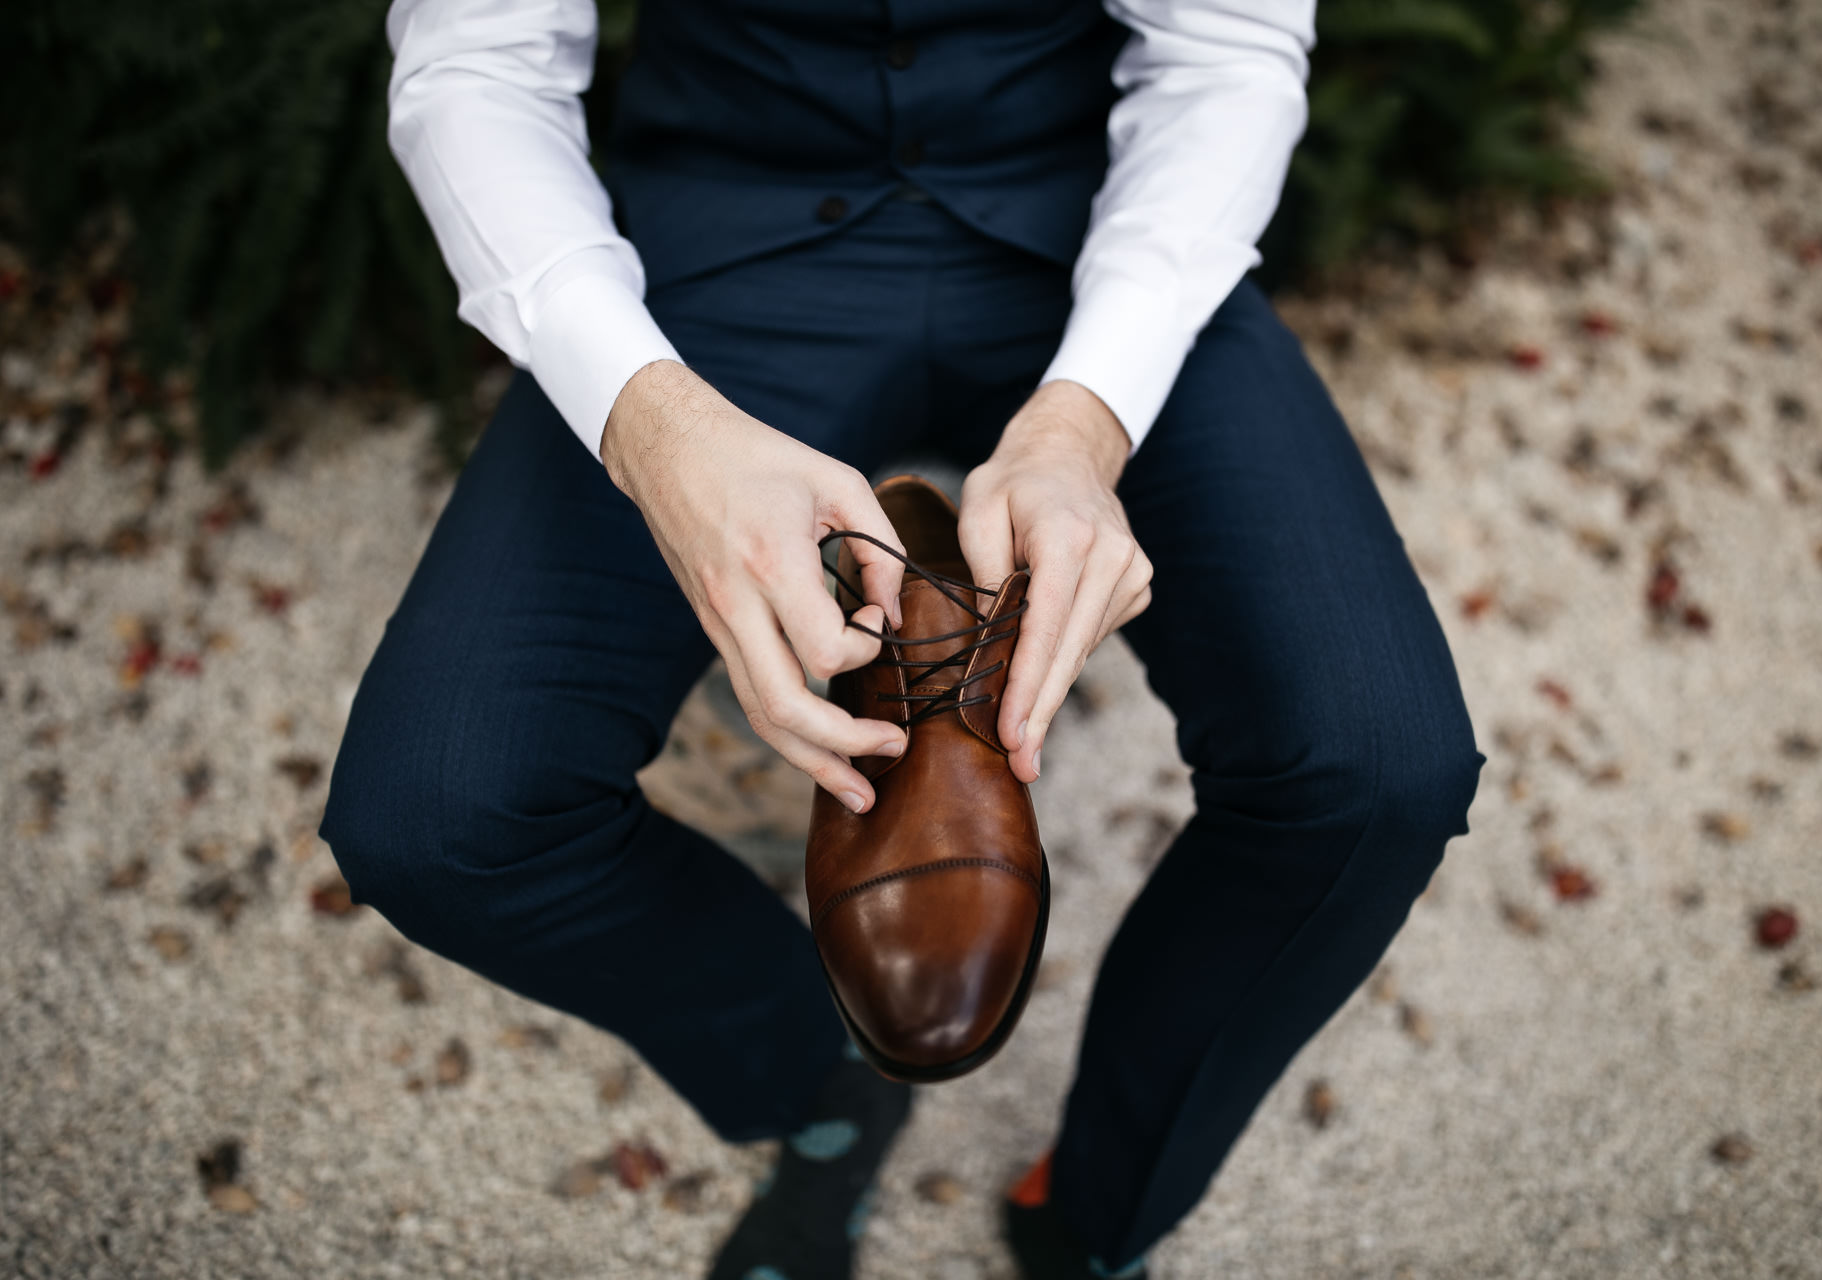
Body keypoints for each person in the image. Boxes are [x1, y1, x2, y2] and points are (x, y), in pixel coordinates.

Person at [319, 0, 1485, 1275]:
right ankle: (822, 1078)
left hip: (1090, 224)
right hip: (718, 251)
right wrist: (652, 427)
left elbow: (1227, 50)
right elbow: (477, 62)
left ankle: (1096, 1208)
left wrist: (1087, 419)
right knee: (437, 814)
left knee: (1378, 767)